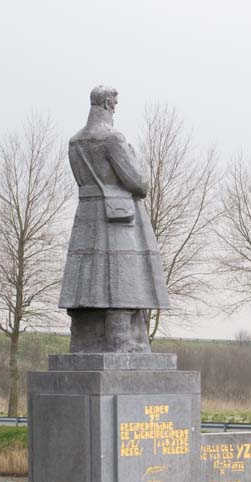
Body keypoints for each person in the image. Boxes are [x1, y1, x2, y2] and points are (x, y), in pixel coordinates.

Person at [59, 85, 170, 352]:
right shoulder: (113, 139)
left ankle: (85, 339)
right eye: (115, 105)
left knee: (87, 279)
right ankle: (120, 339)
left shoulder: (76, 141)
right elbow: (139, 183)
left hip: (86, 215)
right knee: (122, 278)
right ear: (108, 104)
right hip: (116, 217)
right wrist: (132, 155)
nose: (115, 110)